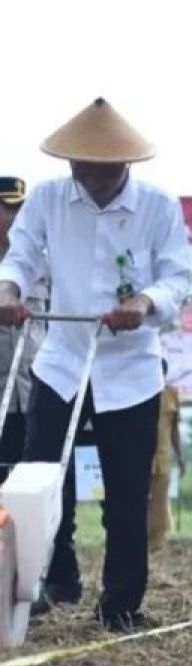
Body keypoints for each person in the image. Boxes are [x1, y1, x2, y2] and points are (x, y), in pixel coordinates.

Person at [0, 98, 192, 631]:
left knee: (127, 491)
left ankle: (122, 605)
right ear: (71, 165)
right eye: (87, 169)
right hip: (60, 358)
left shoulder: (158, 206)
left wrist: (144, 304)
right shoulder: (46, 200)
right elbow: (20, 255)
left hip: (129, 368)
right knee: (37, 476)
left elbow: (177, 278)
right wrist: (9, 289)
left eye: (108, 171)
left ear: (126, 165)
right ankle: (30, 586)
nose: (97, 180)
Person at [0, 177, 48, 482]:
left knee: (35, 480)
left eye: (20, 208)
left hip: (34, 390)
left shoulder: (46, 264)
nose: (15, 217)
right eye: (7, 208)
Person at [148, 359, 184, 552]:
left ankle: (156, 542)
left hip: (162, 456)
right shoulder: (138, 393)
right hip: (139, 455)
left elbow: (175, 429)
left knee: (160, 500)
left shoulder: (172, 394)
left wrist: (181, 457)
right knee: (137, 500)